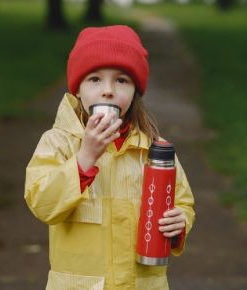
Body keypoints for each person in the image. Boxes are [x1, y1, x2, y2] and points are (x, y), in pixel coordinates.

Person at [24, 25, 195, 290]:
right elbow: (42, 203)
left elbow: (182, 201)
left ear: (135, 92)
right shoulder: (57, 142)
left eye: (121, 80)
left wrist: (180, 221)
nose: (108, 90)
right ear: (77, 89)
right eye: (94, 79)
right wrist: (84, 158)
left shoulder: (154, 149)